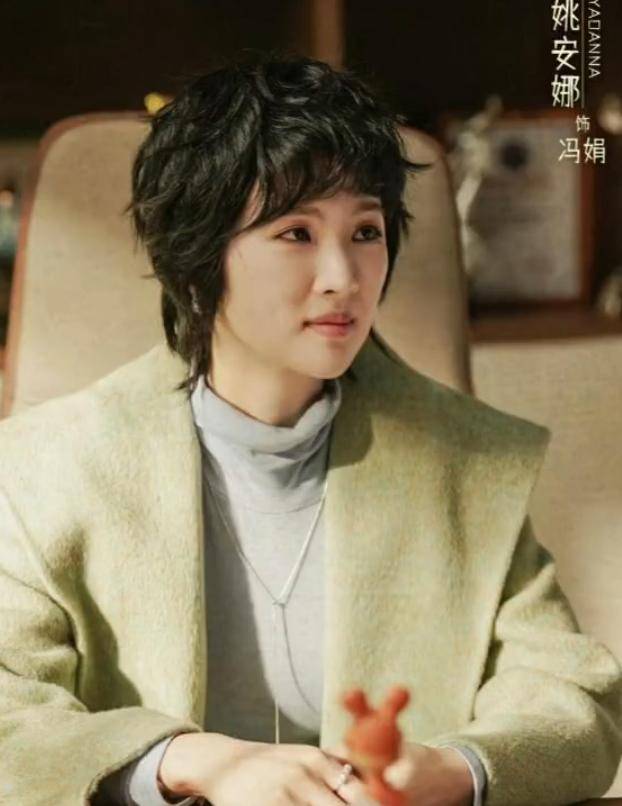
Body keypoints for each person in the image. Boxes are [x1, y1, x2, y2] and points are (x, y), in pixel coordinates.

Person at [0, 53, 620, 806]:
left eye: (365, 231)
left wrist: (454, 769)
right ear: (197, 257)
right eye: (296, 233)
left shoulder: (466, 462)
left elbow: (574, 699)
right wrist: (186, 761)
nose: (344, 278)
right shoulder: (47, 469)